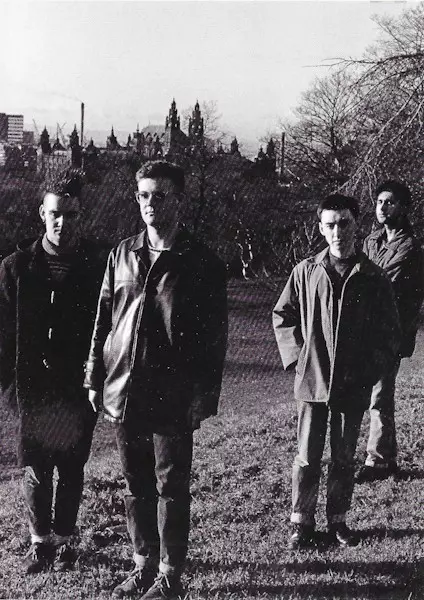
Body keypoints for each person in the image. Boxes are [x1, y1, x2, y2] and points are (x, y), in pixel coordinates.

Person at [84, 160, 228, 600]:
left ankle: (170, 575)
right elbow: (104, 319)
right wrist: (94, 375)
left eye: (160, 196)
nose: (150, 204)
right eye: (143, 195)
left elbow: (214, 338)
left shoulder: (201, 262)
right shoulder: (121, 254)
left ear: (179, 200)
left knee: (171, 486)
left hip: (173, 395)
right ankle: (142, 565)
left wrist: (203, 395)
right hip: (124, 389)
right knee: (135, 484)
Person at [273, 193, 400, 550]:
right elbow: (283, 316)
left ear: (356, 224)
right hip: (312, 381)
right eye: (330, 225)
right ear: (320, 228)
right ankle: (301, 522)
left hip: (352, 384)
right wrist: (298, 359)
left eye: (344, 223)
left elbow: (390, 333)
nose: (337, 232)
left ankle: (338, 521)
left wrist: (369, 370)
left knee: (343, 458)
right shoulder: (305, 271)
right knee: (307, 456)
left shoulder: (373, 277)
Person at [0, 168, 107, 573]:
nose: (62, 222)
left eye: (71, 214)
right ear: (42, 214)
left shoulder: (99, 266)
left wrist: (98, 379)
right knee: (36, 467)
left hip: (77, 387)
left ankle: (64, 543)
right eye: (55, 214)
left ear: (81, 215)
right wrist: (9, 388)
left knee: (71, 466)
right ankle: (40, 543)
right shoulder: (15, 268)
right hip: (32, 389)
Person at [357, 181, 424, 482]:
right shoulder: (371, 240)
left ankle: (378, 462)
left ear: (404, 207)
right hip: (365, 329)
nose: (383, 208)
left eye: (390, 202)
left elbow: (382, 282)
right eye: (380, 202)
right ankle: (387, 456)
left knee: (379, 396)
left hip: (390, 332)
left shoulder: (410, 247)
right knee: (370, 394)